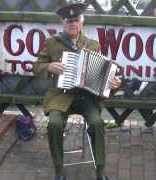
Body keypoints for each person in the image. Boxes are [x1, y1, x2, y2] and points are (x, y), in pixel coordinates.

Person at [33, 2, 121, 180]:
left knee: (97, 123)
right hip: (60, 95)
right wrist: (49, 66)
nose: (73, 24)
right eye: (69, 21)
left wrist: (113, 83)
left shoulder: (93, 44)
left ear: (82, 22)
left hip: (86, 97)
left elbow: (102, 74)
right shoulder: (52, 42)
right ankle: (59, 169)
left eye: (76, 21)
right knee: (54, 124)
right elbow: (36, 67)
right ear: (62, 23)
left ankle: (101, 169)